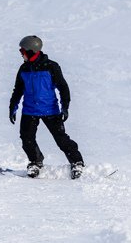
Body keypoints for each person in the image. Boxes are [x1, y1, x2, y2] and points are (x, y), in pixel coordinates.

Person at [8, 35, 85, 178]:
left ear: (31, 51)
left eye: (22, 50)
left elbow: (63, 87)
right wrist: (13, 107)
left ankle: (77, 162)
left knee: (61, 139)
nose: (21, 53)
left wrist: (65, 106)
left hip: (50, 109)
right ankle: (35, 162)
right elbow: (18, 89)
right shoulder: (24, 69)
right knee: (26, 139)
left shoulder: (51, 66)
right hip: (30, 110)